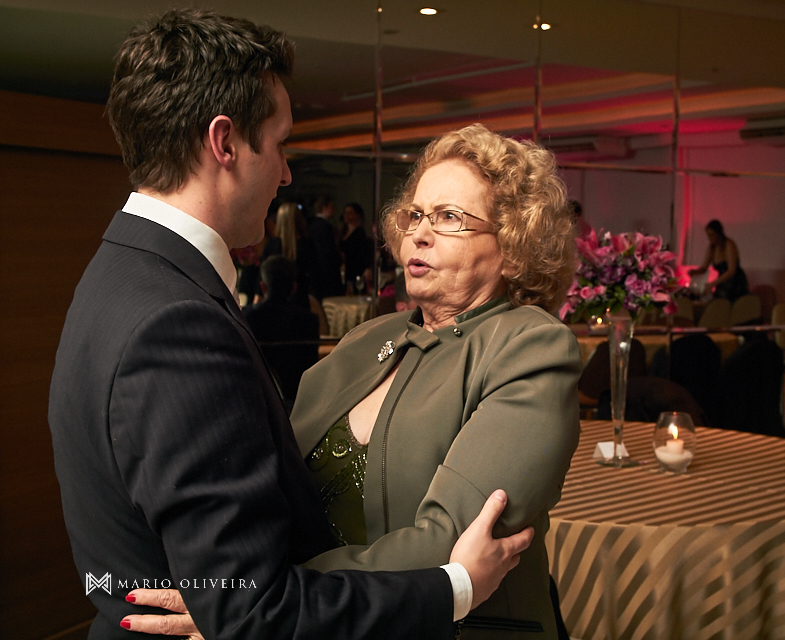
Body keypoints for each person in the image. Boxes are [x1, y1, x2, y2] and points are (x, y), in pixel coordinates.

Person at [46, 10, 531, 640]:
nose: (285, 172)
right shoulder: (178, 325)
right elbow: (254, 611)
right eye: (278, 144)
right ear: (224, 143)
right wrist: (455, 586)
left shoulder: (118, 270)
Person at [291, 123, 582, 638]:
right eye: (415, 215)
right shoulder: (366, 339)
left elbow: (445, 545)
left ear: (513, 245)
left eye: (449, 217)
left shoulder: (532, 345)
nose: (418, 234)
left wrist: (271, 599)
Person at [244, 256, 320, 408]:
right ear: (293, 287)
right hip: (300, 405)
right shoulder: (309, 321)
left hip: (257, 402)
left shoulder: (246, 318)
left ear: (263, 287)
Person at [262, 202, 323, 309]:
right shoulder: (306, 244)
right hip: (300, 298)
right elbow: (315, 275)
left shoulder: (272, 244)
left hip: (274, 299)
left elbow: (262, 273)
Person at [688, 219, 749, 301]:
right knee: (718, 301)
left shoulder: (728, 245)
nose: (710, 238)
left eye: (712, 235)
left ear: (718, 234)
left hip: (735, 282)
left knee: (727, 302)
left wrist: (712, 284)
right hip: (722, 281)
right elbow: (704, 267)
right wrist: (694, 272)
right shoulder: (712, 247)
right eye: (708, 235)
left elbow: (731, 270)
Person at [307, 194, 346, 298]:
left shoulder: (311, 226)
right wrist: (339, 259)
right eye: (331, 207)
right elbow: (328, 252)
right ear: (324, 208)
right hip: (328, 275)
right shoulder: (325, 227)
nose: (333, 210)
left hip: (316, 274)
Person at [340, 201, 374, 293]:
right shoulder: (342, 232)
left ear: (357, 215)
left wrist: (367, 268)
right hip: (345, 270)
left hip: (356, 268)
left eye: (350, 213)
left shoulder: (359, 233)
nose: (346, 215)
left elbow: (365, 251)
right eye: (345, 213)